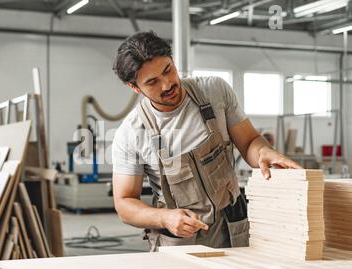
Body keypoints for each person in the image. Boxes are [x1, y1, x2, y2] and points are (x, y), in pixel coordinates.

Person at [111, 31, 301, 251]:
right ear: (135, 87)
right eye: (152, 82)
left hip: (234, 228)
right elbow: (124, 203)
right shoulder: (131, 133)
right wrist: (164, 218)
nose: (167, 85)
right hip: (180, 240)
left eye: (168, 70)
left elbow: (249, 142)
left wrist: (263, 152)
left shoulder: (213, 91)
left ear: (172, 61)